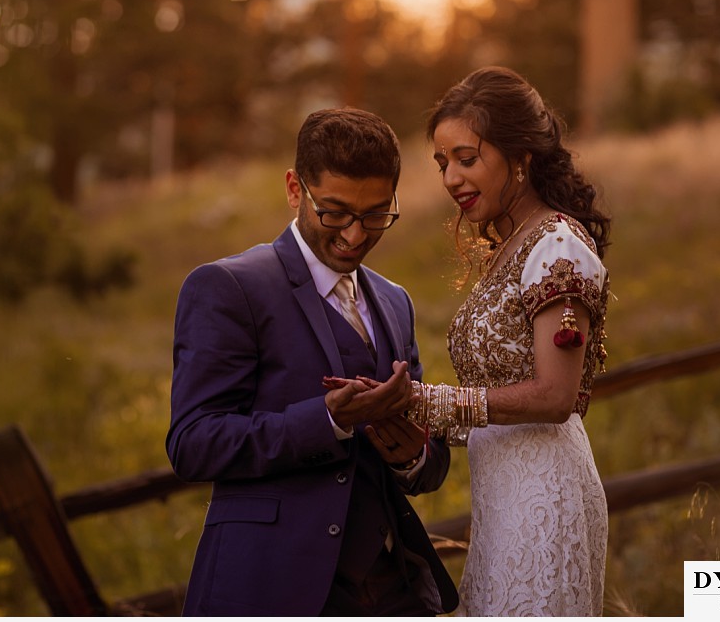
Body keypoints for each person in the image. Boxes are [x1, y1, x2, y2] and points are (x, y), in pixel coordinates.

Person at [166, 107, 459, 616]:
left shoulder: (396, 302)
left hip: (395, 594)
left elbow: (428, 466)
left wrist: (411, 455)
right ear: (294, 189)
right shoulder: (228, 287)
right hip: (269, 588)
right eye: (335, 212)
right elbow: (193, 444)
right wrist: (327, 421)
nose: (354, 235)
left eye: (375, 215)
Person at [414, 66, 612, 616]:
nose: (451, 178)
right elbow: (497, 394)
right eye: (443, 163)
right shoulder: (511, 248)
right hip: (502, 501)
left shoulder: (557, 247)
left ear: (520, 157)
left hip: (545, 500)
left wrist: (431, 402)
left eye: (466, 158)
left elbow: (554, 396)